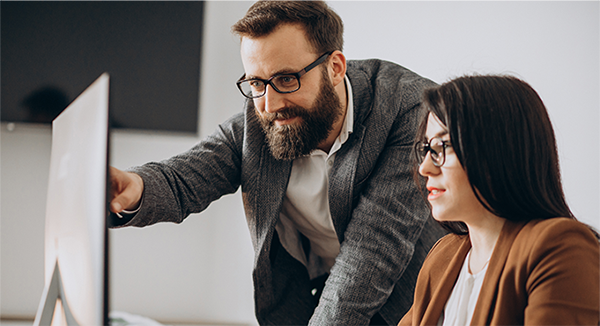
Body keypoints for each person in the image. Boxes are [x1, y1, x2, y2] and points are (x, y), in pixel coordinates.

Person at [109, 0, 446, 325]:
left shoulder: (410, 109)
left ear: (335, 68)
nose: (269, 105)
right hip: (311, 300)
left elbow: (372, 252)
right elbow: (185, 178)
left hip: (413, 304)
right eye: (256, 83)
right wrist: (133, 186)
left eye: (287, 80)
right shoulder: (260, 119)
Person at [399, 75, 600, 326]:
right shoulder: (443, 255)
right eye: (427, 148)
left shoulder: (560, 247)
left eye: (441, 146)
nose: (425, 168)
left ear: (495, 148)